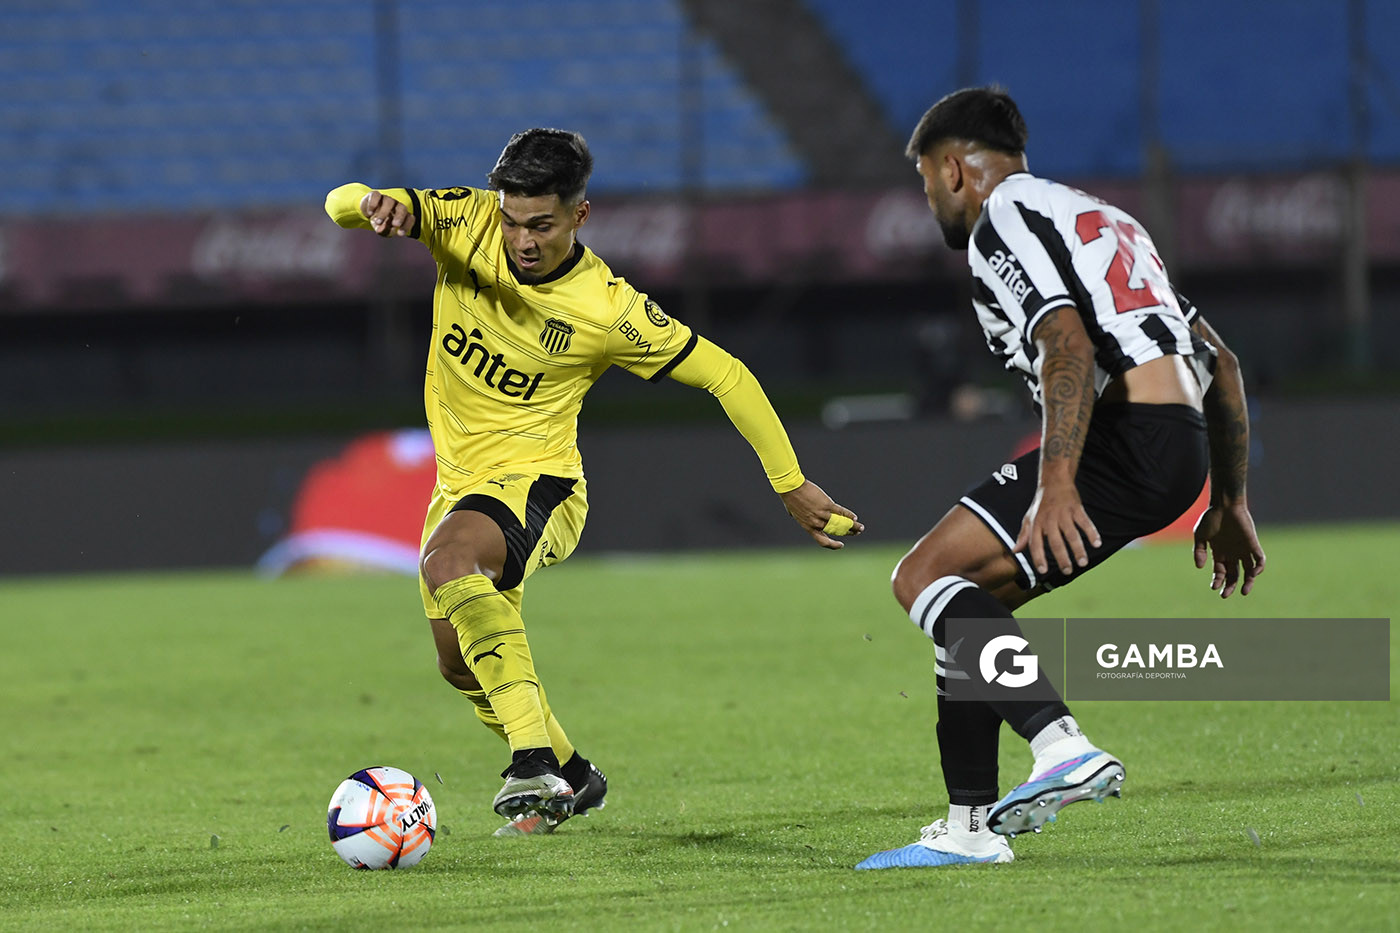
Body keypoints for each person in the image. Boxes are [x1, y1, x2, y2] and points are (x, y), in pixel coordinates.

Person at [324, 129, 861, 838]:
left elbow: (726, 373)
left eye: (541, 225)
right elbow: (338, 207)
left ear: (580, 215)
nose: (521, 240)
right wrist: (370, 204)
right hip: (457, 485)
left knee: (448, 562)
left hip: (539, 485)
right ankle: (578, 778)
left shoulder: (608, 310)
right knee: (459, 666)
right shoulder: (464, 220)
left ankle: (532, 762)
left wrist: (790, 482)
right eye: (512, 220)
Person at [856, 88, 1264, 869]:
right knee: (972, 604)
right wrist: (1231, 498)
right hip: (1175, 442)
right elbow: (1224, 365)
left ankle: (1059, 744)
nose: (928, 200)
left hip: (1122, 436)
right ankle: (969, 827)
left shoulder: (1003, 217)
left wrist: (1058, 482)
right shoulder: (1102, 220)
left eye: (922, 182)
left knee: (922, 577)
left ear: (952, 169)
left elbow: (1066, 344)